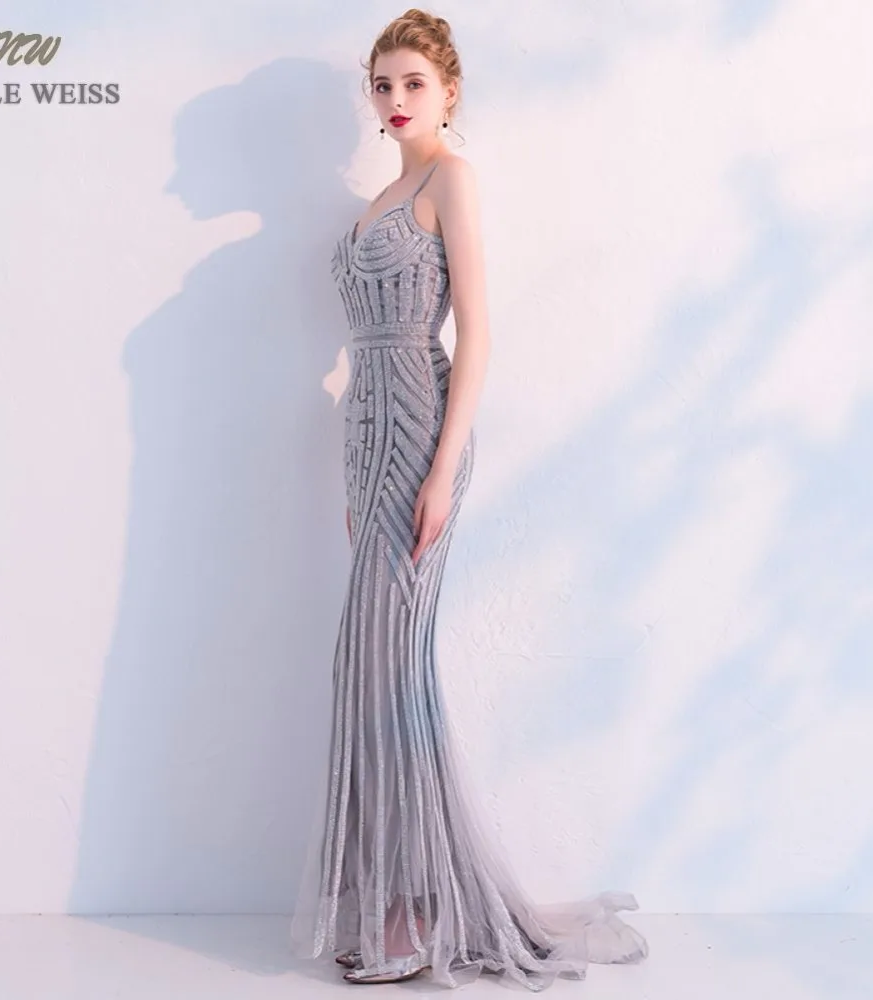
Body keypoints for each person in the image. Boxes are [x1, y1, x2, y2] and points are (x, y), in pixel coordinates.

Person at [290, 9, 650, 990]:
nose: (395, 99)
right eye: (382, 84)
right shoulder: (380, 196)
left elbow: (476, 335)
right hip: (367, 442)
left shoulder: (451, 179)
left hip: (421, 434)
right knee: (366, 669)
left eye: (413, 82)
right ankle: (398, 897)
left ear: (449, 91)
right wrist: (356, 477)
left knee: (393, 670)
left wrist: (441, 471)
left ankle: (416, 912)